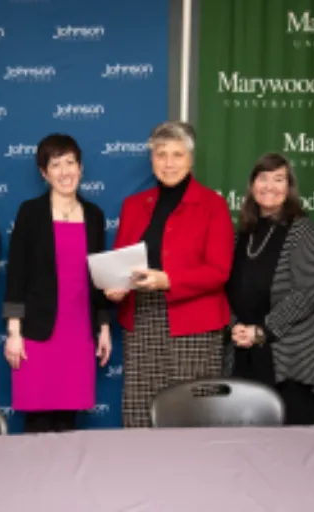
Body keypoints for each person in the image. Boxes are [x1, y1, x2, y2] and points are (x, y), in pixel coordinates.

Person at [106, 121, 235, 428]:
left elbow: (219, 271)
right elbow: (120, 262)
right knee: (140, 409)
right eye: (161, 154)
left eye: (177, 155)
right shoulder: (134, 205)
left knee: (191, 411)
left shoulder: (212, 205)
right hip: (142, 319)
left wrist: (170, 280)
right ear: (151, 160)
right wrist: (116, 286)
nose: (169, 163)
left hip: (195, 323)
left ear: (191, 159)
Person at [3, 134, 112, 433]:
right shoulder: (31, 213)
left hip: (79, 333)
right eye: (55, 165)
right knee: (37, 423)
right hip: (37, 333)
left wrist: (103, 328)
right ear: (43, 173)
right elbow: (16, 276)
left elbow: (100, 278)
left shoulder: (95, 216)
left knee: (68, 423)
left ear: (81, 167)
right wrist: (14, 332)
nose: (65, 171)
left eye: (70, 162)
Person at [224, 153, 314, 425]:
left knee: (292, 446)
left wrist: (263, 331)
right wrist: (235, 326)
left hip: (289, 354)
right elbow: (227, 288)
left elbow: (310, 290)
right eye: (263, 178)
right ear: (252, 185)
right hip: (244, 351)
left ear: (289, 187)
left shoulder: (302, 229)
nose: (270, 186)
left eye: (279, 179)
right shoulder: (242, 234)